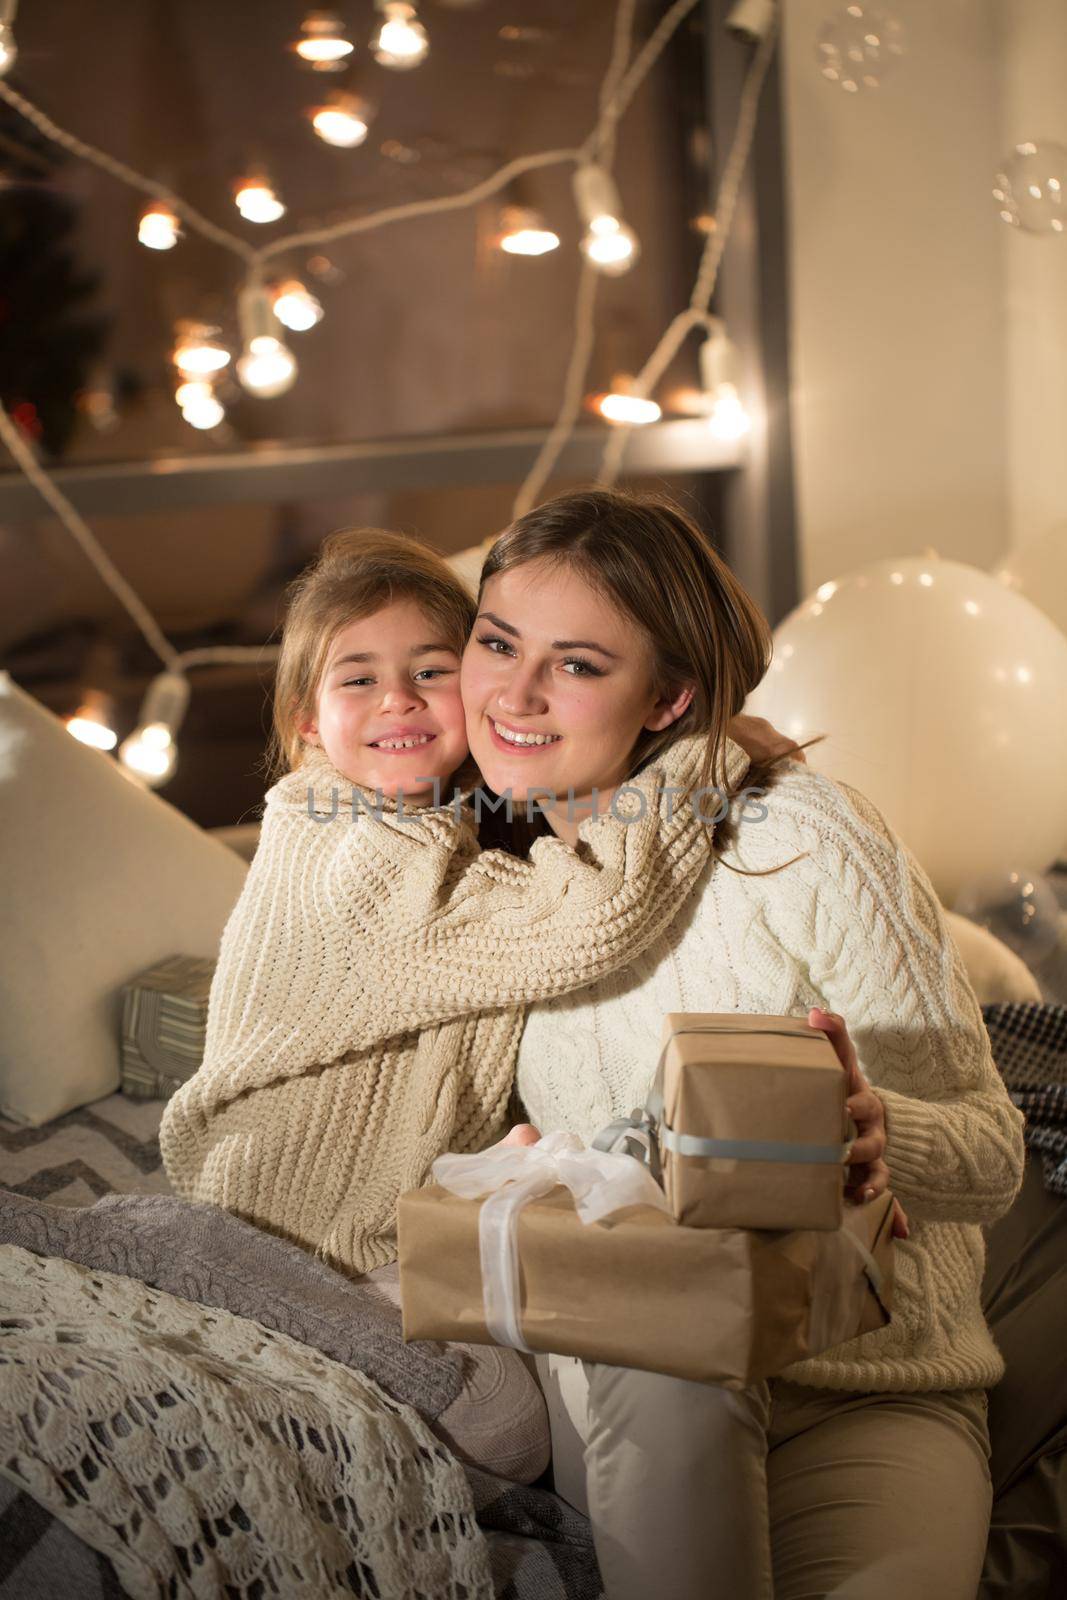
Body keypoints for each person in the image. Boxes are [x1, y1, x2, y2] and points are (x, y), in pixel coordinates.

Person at [453, 487, 1026, 1598]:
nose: (512, 696)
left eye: (575, 664)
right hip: (634, 1390)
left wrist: (877, 1130)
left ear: (667, 695)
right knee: (652, 1320)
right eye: (495, 642)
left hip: (863, 1399)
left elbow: (993, 1155)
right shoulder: (503, 894)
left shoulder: (798, 837)